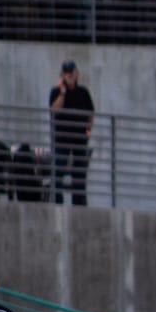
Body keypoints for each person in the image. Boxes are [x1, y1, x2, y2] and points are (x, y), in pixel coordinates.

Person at [47, 60, 94, 206]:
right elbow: (54, 110)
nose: (69, 75)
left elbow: (91, 114)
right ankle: (58, 204)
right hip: (62, 140)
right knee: (58, 172)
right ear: (62, 75)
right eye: (66, 73)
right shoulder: (56, 92)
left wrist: (87, 133)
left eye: (71, 72)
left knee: (79, 175)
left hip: (79, 140)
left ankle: (79, 205)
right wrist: (62, 92)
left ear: (76, 73)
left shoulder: (83, 92)